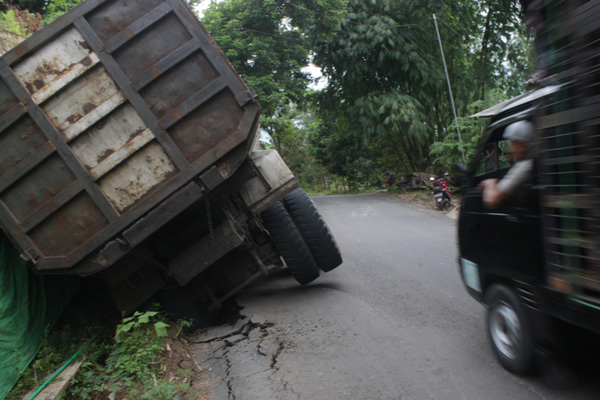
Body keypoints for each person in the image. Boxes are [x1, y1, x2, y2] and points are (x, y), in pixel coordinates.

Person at [478, 120, 534, 209]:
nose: (512, 149)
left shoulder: (525, 165)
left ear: (521, 144)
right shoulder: (533, 160)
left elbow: (492, 200)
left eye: (513, 144)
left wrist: (490, 183)